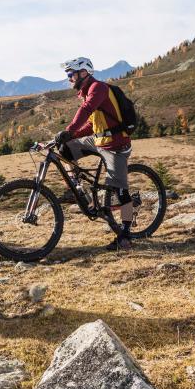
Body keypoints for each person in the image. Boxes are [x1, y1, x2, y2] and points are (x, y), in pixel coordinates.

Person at [53, 57, 134, 251]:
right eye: (68, 75)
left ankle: (126, 234)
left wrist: (70, 130)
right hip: (98, 141)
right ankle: (78, 189)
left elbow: (86, 109)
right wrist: (69, 137)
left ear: (83, 73)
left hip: (116, 144)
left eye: (71, 74)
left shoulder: (98, 88)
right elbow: (92, 124)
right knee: (66, 150)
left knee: (121, 192)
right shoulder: (86, 92)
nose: (69, 78)